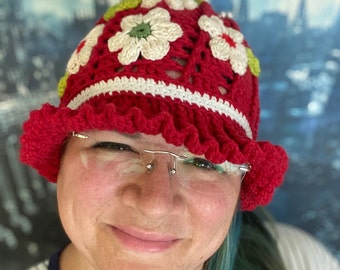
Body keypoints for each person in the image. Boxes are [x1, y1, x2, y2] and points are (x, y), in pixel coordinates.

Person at [20, 0, 340, 269]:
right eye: (116, 146)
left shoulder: (298, 259)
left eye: (205, 163)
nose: (155, 203)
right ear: (60, 156)